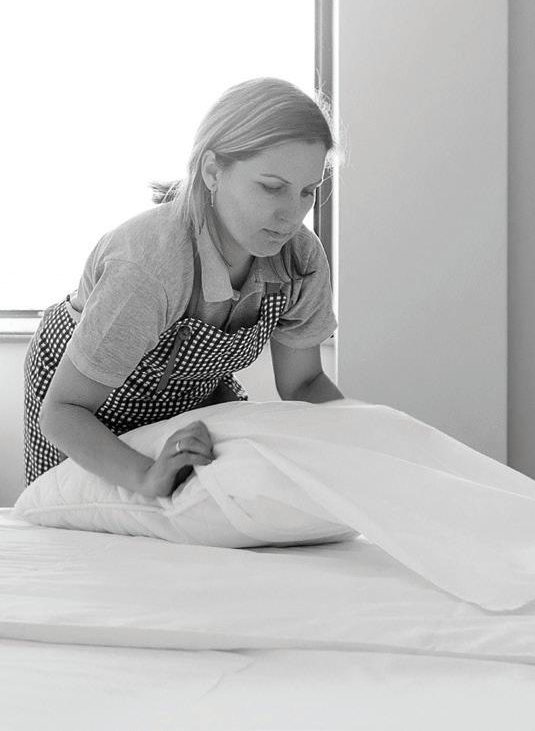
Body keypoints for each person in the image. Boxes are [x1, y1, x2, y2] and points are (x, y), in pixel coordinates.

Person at [23, 77, 345, 497]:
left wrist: (363, 439)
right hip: (81, 411)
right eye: (272, 188)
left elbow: (303, 384)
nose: (292, 214)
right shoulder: (149, 266)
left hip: (188, 399)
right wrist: (145, 475)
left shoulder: (299, 259)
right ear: (212, 171)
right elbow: (63, 412)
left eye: (308, 192)